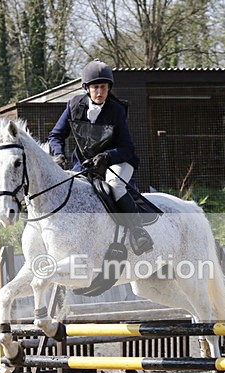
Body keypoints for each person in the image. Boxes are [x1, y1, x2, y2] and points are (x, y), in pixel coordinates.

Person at [47, 59, 153, 254]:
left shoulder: (116, 110)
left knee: (115, 185)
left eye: (103, 87)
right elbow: (56, 135)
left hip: (117, 161)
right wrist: (58, 154)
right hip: (86, 164)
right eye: (95, 87)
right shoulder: (74, 105)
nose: (99, 92)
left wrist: (107, 156)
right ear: (87, 88)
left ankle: (138, 231)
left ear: (108, 88)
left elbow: (127, 148)